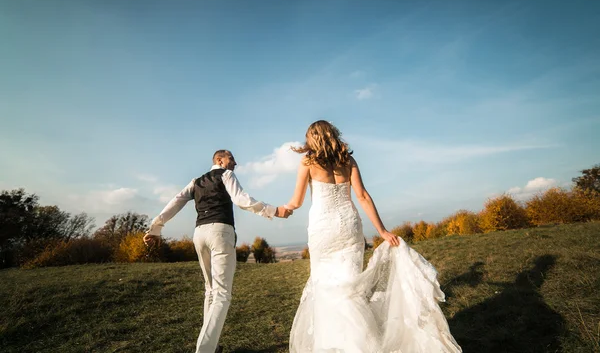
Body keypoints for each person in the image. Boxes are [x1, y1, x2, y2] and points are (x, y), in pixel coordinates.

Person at [285, 120, 461, 352]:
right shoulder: (348, 160)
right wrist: (382, 231)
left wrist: (281, 210)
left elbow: (296, 201)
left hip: (322, 229)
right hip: (349, 227)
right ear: (332, 135)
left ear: (313, 138)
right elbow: (363, 197)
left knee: (326, 287)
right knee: (350, 287)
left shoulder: (307, 161)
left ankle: (333, 345)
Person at [143, 150, 292, 353]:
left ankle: (212, 347)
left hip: (199, 234)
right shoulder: (226, 174)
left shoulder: (195, 181)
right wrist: (273, 210)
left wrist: (156, 227)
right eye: (231, 158)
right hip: (220, 232)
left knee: (211, 291)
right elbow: (241, 199)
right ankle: (205, 349)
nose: (235, 162)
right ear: (219, 160)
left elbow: (175, 201)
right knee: (222, 294)